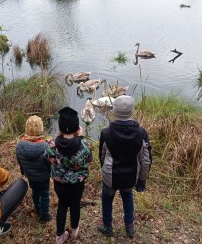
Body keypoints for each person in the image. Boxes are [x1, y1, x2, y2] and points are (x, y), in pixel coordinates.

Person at [97, 95, 152, 238]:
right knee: (127, 197)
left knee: (107, 199)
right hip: (130, 176)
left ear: (114, 112)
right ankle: (130, 228)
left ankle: (107, 227)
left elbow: (102, 156)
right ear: (132, 112)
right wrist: (142, 179)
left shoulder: (106, 133)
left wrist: (105, 169)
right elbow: (145, 160)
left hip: (110, 176)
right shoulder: (141, 133)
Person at [45, 107, 93, 244]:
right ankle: (74, 231)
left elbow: (47, 157)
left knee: (62, 205)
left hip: (59, 183)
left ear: (60, 127)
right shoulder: (84, 145)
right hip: (77, 184)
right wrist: (81, 137)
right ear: (77, 128)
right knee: (75, 205)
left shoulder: (51, 145)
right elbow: (89, 159)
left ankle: (59, 237)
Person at [15, 115, 52, 222]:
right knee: (45, 194)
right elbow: (49, 164)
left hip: (30, 175)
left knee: (35, 191)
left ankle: (37, 208)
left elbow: (20, 162)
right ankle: (44, 215)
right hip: (43, 177)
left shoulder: (19, 146)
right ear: (41, 129)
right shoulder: (46, 146)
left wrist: (24, 171)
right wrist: (50, 173)